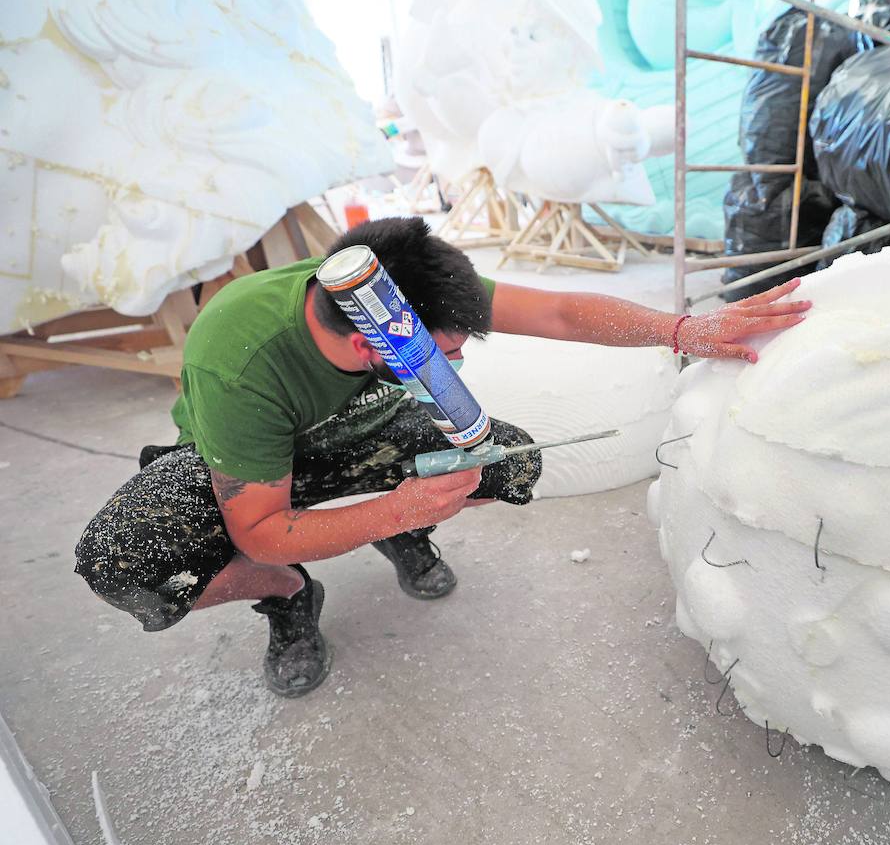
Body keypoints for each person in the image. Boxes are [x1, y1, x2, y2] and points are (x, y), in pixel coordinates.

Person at [74, 217, 810, 697]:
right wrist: (390, 502)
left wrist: (684, 329)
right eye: (444, 353)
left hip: (358, 427)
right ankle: (289, 596)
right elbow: (258, 525)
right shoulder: (238, 361)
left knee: (510, 463)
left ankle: (401, 529)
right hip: (245, 459)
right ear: (371, 345)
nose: (455, 362)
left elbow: (555, 311)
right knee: (123, 560)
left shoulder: (392, 294)